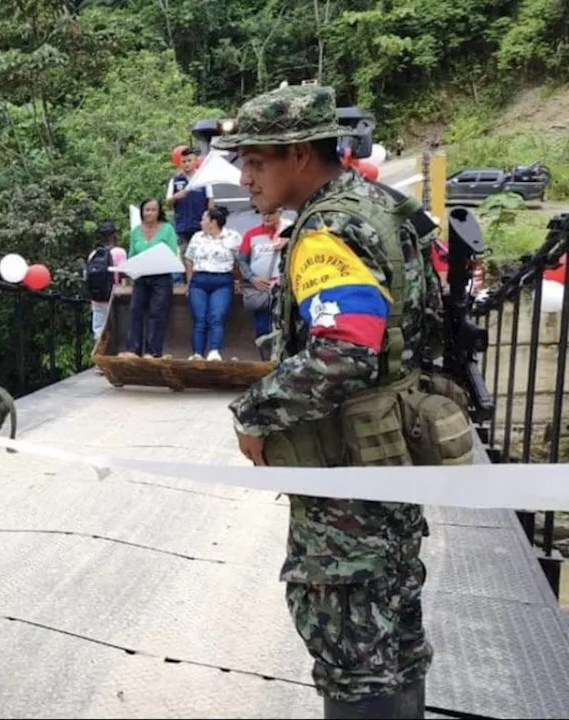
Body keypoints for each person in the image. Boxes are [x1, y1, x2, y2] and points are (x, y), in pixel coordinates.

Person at [217, 85, 448, 719]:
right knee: (396, 640)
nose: (244, 176)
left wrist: (254, 413)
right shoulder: (383, 207)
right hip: (390, 460)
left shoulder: (327, 229)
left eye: (255, 161)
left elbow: (344, 352)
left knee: (352, 651)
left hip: (348, 481)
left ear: (298, 153)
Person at [121, 198, 179, 358]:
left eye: (153, 210)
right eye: (147, 210)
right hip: (141, 277)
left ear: (159, 211)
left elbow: (172, 252)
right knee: (135, 311)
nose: (150, 213)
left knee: (157, 313)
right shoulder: (136, 231)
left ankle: (153, 351)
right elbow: (132, 254)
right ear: (142, 212)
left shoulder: (167, 229)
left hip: (161, 277)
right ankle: (133, 349)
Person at [182, 205, 241, 361]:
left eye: (203, 219)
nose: (201, 222)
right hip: (199, 280)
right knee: (199, 318)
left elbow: (239, 261)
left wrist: (237, 280)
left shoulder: (232, 236)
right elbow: (188, 259)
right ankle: (197, 353)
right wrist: (188, 281)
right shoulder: (197, 237)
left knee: (216, 316)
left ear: (213, 221)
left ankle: (214, 351)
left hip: (222, 280)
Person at [237, 206, 288, 360]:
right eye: (264, 214)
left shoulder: (290, 230)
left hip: (284, 287)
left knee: (285, 327)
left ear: (280, 212)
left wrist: (288, 239)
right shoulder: (251, 234)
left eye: (271, 213)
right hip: (261, 288)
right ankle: (265, 362)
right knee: (262, 328)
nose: (267, 217)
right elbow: (241, 260)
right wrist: (252, 278)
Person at [165, 147, 216, 257]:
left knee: (202, 254)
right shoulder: (175, 180)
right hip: (182, 226)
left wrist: (210, 221)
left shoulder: (204, 178)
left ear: (195, 161)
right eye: (184, 161)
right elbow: (168, 204)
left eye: (189, 160)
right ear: (180, 163)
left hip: (200, 225)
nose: (186, 164)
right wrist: (175, 197)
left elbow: (210, 201)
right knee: (185, 255)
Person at [84, 220, 127, 344]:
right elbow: (123, 273)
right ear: (115, 235)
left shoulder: (94, 254)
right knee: (117, 327)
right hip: (114, 294)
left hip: (97, 297)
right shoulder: (119, 252)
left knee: (98, 328)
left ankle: (99, 354)